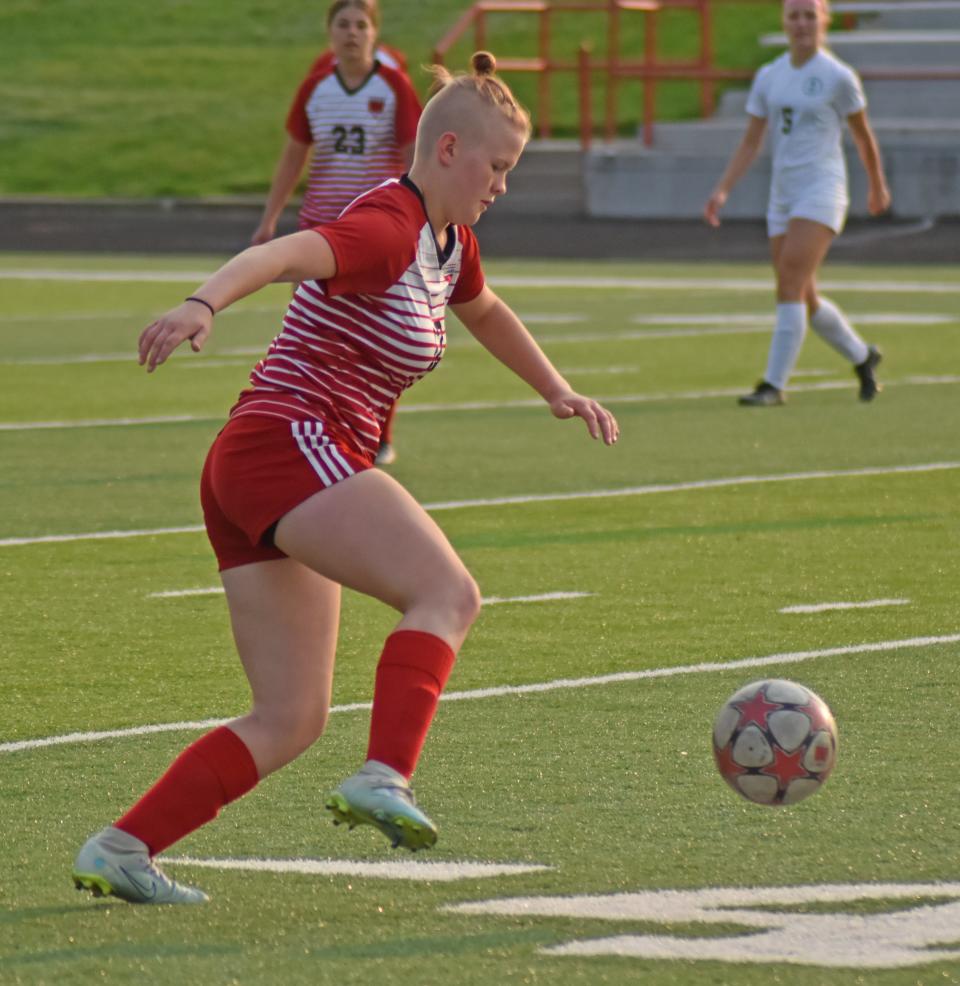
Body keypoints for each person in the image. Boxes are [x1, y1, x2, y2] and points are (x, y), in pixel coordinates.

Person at [72, 52, 620, 906]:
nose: (502, 187)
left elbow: (485, 309)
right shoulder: (389, 227)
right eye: (498, 167)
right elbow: (289, 251)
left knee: (291, 717)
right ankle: (384, 776)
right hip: (289, 443)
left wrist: (557, 389)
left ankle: (121, 846)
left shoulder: (450, 242)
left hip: (262, 460)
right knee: (448, 591)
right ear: (446, 151)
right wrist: (202, 304)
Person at [252, 0, 422, 462]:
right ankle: (304, 423)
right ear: (330, 33)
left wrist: (419, 217)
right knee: (309, 332)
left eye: (361, 25)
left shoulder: (394, 88)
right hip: (320, 229)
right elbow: (293, 155)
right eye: (343, 24)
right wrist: (270, 218)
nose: (352, 33)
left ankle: (379, 434)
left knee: (380, 338)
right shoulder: (315, 88)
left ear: (375, 34)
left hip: (375, 232)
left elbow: (413, 155)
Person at [703, 0, 891, 407]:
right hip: (783, 195)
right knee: (802, 294)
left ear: (825, 20)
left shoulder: (838, 76)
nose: (802, 23)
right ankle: (862, 356)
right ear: (784, 22)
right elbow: (752, 140)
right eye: (794, 15)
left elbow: (862, 135)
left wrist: (876, 185)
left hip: (822, 189)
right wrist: (723, 189)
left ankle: (773, 385)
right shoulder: (770, 75)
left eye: (810, 15)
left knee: (788, 282)